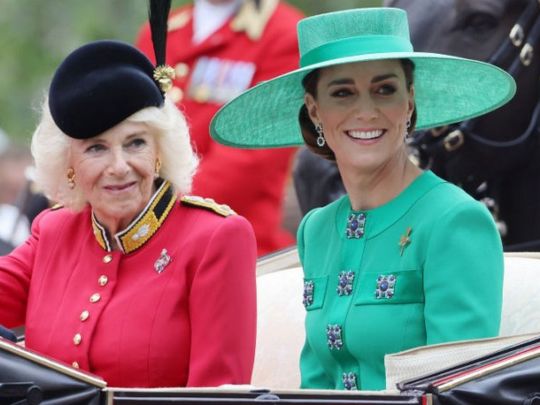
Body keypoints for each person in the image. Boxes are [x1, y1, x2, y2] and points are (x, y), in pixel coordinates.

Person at [210, 7, 515, 390]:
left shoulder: (454, 221)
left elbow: (456, 392)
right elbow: (315, 386)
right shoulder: (317, 229)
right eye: (342, 93)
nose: (366, 112)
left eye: (385, 90)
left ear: (409, 102)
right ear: (314, 110)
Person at [0, 0, 257, 388]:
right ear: (69, 164)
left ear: (159, 151)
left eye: (135, 143)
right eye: (96, 148)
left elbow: (219, 396)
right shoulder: (53, 232)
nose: (119, 166)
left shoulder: (216, 239)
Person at [136, 0, 303, 256]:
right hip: (143, 234)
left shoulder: (284, 34)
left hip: (231, 245)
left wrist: (152, 209)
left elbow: (250, 159)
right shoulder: (160, 28)